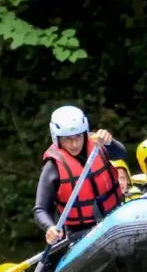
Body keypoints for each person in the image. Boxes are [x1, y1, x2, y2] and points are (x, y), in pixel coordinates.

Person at [33, 106, 126, 256]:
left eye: (78, 137)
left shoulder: (98, 143)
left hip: (115, 216)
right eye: (67, 139)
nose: (74, 144)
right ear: (57, 138)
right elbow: (40, 209)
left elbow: (121, 153)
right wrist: (49, 227)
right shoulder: (53, 167)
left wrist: (110, 142)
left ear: (84, 133)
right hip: (82, 232)